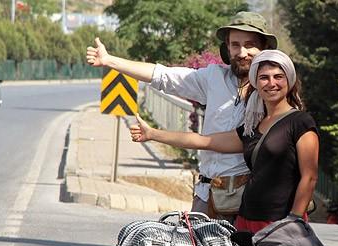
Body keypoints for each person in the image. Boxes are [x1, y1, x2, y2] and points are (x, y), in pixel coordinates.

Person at [86, 12, 277, 221]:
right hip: (208, 194)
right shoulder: (214, 77)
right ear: (227, 48)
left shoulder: (272, 89)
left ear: (264, 48)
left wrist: (155, 134)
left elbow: (240, 142)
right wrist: (110, 61)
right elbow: (163, 76)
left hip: (249, 199)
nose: (242, 52)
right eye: (235, 45)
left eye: (250, 45)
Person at [129, 50, 319, 234]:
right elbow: (205, 141)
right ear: (256, 83)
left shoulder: (300, 122)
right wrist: (153, 134)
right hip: (246, 219)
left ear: (290, 81)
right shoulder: (252, 126)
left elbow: (309, 177)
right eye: (264, 77)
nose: (271, 83)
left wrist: (295, 220)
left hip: (280, 222)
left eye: (278, 76)